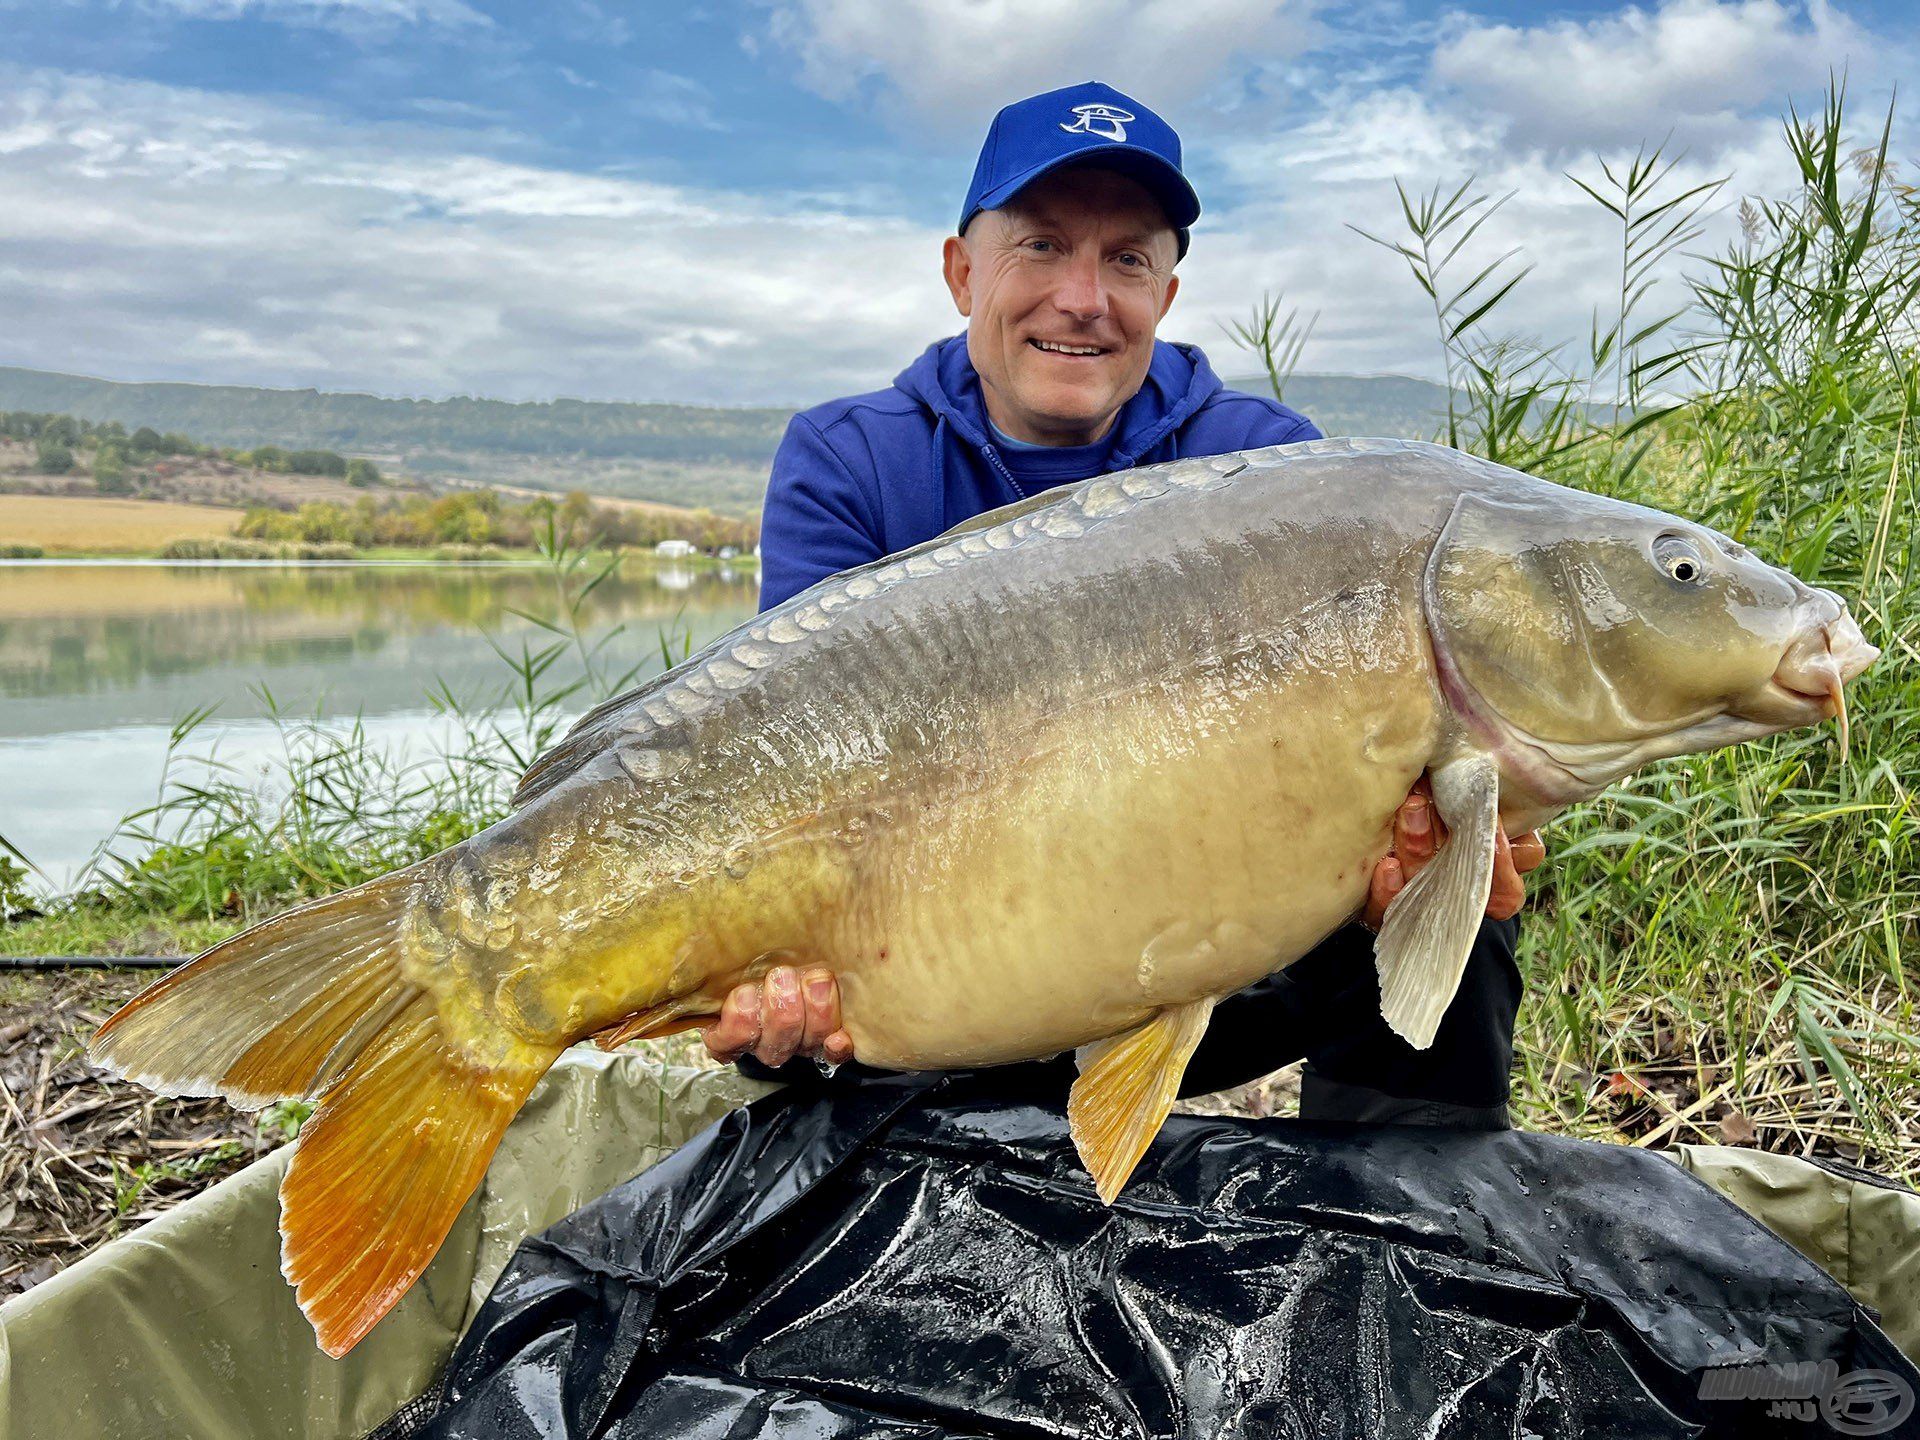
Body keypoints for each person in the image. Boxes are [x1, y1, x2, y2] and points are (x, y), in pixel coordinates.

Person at [708, 81, 1545, 1126]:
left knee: (1467, 887)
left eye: (1128, 260)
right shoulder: (851, 460)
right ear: (963, 271)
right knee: (773, 1007)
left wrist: (1401, 873)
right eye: (1044, 247)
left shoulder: (1265, 469)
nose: (1084, 297)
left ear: (1168, 293)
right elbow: (780, 769)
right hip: (933, 987)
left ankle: (1406, 1231)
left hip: (1211, 966)